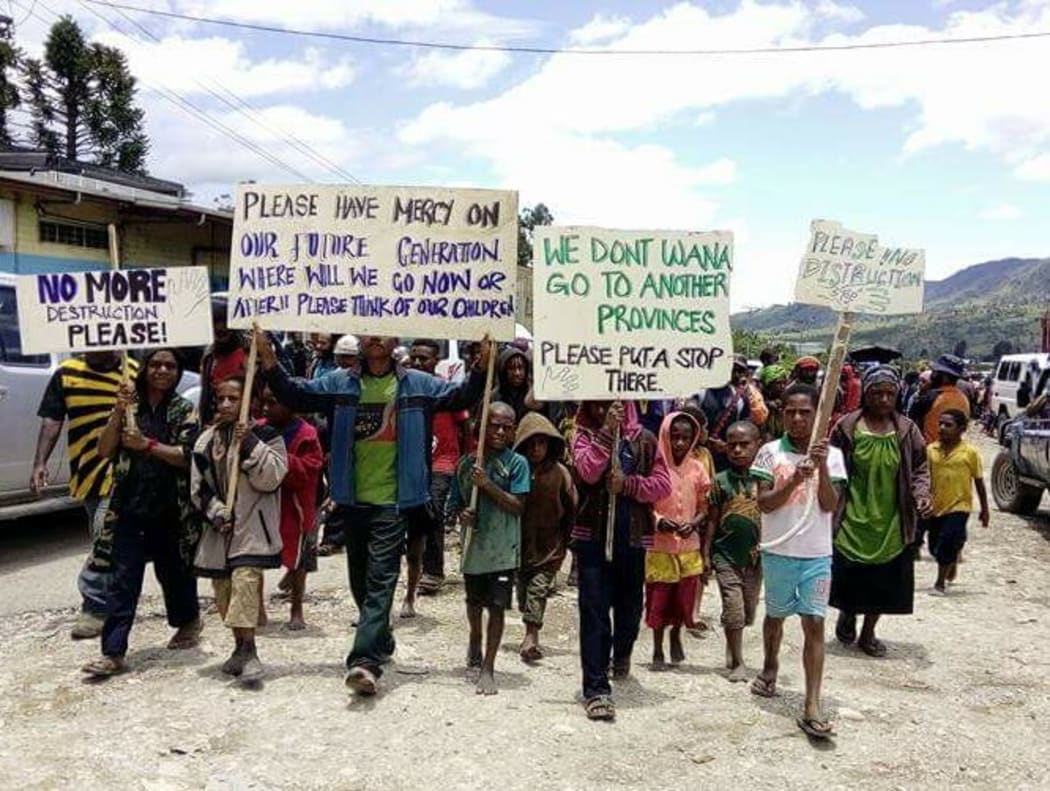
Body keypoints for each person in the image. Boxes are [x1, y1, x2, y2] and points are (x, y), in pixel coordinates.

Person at [257, 329, 491, 697]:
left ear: (394, 339)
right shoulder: (339, 383)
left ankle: (365, 661)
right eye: (369, 333)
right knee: (360, 581)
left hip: (394, 503)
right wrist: (269, 361)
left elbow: (462, 395)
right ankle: (380, 638)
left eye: (383, 333)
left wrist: (482, 365)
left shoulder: (419, 384)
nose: (376, 339)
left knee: (381, 579)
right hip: (352, 500)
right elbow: (295, 395)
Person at [80, 349, 201, 677]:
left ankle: (188, 620)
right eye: (156, 364)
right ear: (145, 368)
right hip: (128, 509)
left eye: (170, 365)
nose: (163, 370)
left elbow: (188, 456)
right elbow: (105, 449)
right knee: (123, 581)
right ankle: (113, 652)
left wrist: (147, 445)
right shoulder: (128, 407)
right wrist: (119, 413)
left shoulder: (183, 409)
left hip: (171, 509)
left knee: (174, 572)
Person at [750, 383, 847, 740]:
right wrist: (793, 480)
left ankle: (812, 704)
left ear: (817, 415)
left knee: (814, 623)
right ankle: (770, 666)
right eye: (790, 411)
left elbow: (829, 505)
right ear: (782, 414)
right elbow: (764, 503)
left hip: (816, 554)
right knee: (775, 617)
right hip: (779, 552)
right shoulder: (769, 453)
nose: (797, 418)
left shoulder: (832, 456)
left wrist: (820, 469)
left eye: (805, 412)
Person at [572, 400, 671, 722]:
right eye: (598, 405)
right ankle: (596, 688)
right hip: (592, 538)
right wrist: (605, 434)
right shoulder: (583, 435)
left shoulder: (645, 440)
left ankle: (623, 651)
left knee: (629, 610)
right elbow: (588, 472)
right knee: (594, 610)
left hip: (632, 538)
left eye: (610, 405)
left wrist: (627, 485)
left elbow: (663, 485)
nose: (604, 410)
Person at [31, 351, 140, 639]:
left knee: (106, 532)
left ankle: (95, 606)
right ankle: (114, 599)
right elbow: (52, 420)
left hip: (125, 470)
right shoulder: (67, 374)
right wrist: (40, 462)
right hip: (88, 470)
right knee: (102, 535)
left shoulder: (133, 370)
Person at [828, 367, 931, 657]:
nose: (883, 399)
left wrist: (922, 494)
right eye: (877, 393)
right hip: (852, 515)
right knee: (850, 575)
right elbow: (831, 464)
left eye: (890, 393)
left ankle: (868, 633)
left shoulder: (907, 430)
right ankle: (848, 612)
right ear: (866, 393)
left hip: (891, 519)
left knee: (883, 580)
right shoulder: (847, 427)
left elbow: (920, 467)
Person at [191, 377, 287, 683]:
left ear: (249, 402)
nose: (226, 404)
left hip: (252, 528)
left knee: (245, 583)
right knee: (223, 591)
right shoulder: (206, 441)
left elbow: (272, 478)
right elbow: (198, 487)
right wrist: (217, 513)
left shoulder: (267, 436)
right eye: (221, 399)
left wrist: (250, 444)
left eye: (233, 399)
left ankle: (250, 651)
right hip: (221, 532)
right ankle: (239, 648)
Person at [448, 402, 530, 694]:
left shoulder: (517, 463)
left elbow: (518, 506)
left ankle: (488, 666)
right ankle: (475, 637)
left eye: (506, 428)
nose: (500, 432)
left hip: (503, 550)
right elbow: (455, 504)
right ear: (482, 427)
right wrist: (463, 515)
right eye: (494, 425)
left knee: (497, 607)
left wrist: (487, 486)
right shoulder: (466, 465)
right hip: (475, 549)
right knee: (474, 603)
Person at [401, 338, 470, 612]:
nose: (418, 363)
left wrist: (467, 457)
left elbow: (465, 425)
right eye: (414, 357)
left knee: (434, 509)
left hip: (443, 460)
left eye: (424, 358)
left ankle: (433, 571)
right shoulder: (403, 388)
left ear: (436, 361)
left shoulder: (445, 391)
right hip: (412, 462)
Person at [646, 411, 710, 669]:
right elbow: (645, 505)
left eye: (686, 437)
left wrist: (693, 524)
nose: (680, 443)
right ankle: (657, 647)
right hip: (660, 546)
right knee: (659, 598)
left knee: (684, 597)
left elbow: (704, 507)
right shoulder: (655, 468)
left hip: (688, 546)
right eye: (675, 437)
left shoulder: (698, 468)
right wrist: (659, 521)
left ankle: (676, 634)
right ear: (665, 436)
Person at [513, 412, 577, 662]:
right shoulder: (517, 470)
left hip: (551, 547)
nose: (536, 449)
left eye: (542, 443)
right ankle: (528, 619)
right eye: (531, 443)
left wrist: (568, 541)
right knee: (523, 593)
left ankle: (532, 636)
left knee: (538, 590)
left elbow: (572, 508)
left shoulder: (560, 473)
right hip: (521, 546)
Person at [259, 385, 324, 630]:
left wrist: (278, 459)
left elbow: (309, 467)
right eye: (263, 402)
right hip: (263, 502)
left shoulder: (306, 434)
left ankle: (296, 607)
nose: (266, 408)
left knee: (299, 560)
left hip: (296, 504)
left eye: (272, 403)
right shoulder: (257, 429)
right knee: (254, 557)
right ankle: (258, 608)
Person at [706, 421, 763, 683]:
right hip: (725, 556)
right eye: (732, 446)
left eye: (744, 445)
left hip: (755, 559)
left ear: (758, 446)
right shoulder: (720, 481)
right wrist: (706, 554)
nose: (738, 450)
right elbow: (712, 521)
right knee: (734, 608)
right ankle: (739, 661)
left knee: (748, 612)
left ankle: (732, 641)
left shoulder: (765, 480)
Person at [927, 410, 989, 595]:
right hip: (936, 505)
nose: (942, 428)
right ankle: (952, 559)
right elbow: (924, 477)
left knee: (947, 541)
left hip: (959, 505)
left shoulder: (969, 453)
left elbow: (979, 482)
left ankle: (939, 583)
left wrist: (985, 509)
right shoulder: (931, 450)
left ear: (961, 429)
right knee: (934, 546)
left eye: (948, 425)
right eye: (940, 424)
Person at [697, 355, 768, 471]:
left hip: (729, 458)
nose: (735, 374)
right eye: (731, 369)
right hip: (700, 456)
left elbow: (745, 428)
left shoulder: (741, 398)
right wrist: (703, 440)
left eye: (740, 371)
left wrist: (726, 446)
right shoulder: (700, 393)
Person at [198, 297, 249, 426]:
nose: (219, 337)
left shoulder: (247, 354)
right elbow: (206, 393)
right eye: (215, 332)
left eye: (223, 332)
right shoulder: (209, 356)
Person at [909, 354, 971, 445]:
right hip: (953, 450)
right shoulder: (964, 399)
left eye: (935, 372)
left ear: (944, 377)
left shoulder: (931, 397)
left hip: (930, 450)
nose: (932, 375)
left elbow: (913, 425)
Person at [491, 345, 545, 423]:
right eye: (511, 368)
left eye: (520, 367)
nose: (517, 373)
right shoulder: (494, 397)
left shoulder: (533, 397)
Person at [758, 364, 789, 442]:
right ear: (768, 384)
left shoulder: (786, 400)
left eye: (784, 383)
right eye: (778, 383)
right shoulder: (758, 401)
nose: (782, 386)